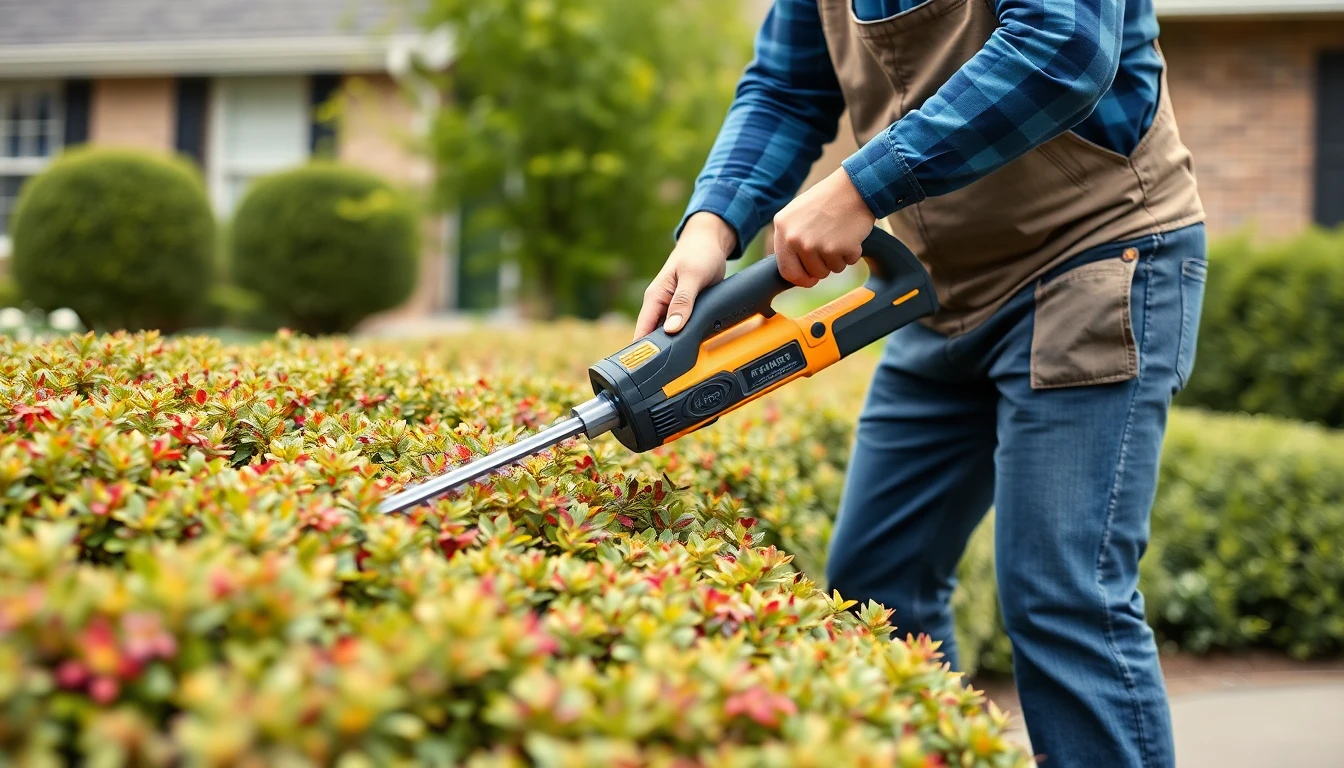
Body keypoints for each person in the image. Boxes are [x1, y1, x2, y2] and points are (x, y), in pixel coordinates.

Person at [634, 1, 1206, 766]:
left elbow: (1064, 44)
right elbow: (785, 86)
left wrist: (859, 189)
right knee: (879, 582)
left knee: (1063, 595)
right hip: (944, 285)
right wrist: (713, 225)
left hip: (1093, 257)